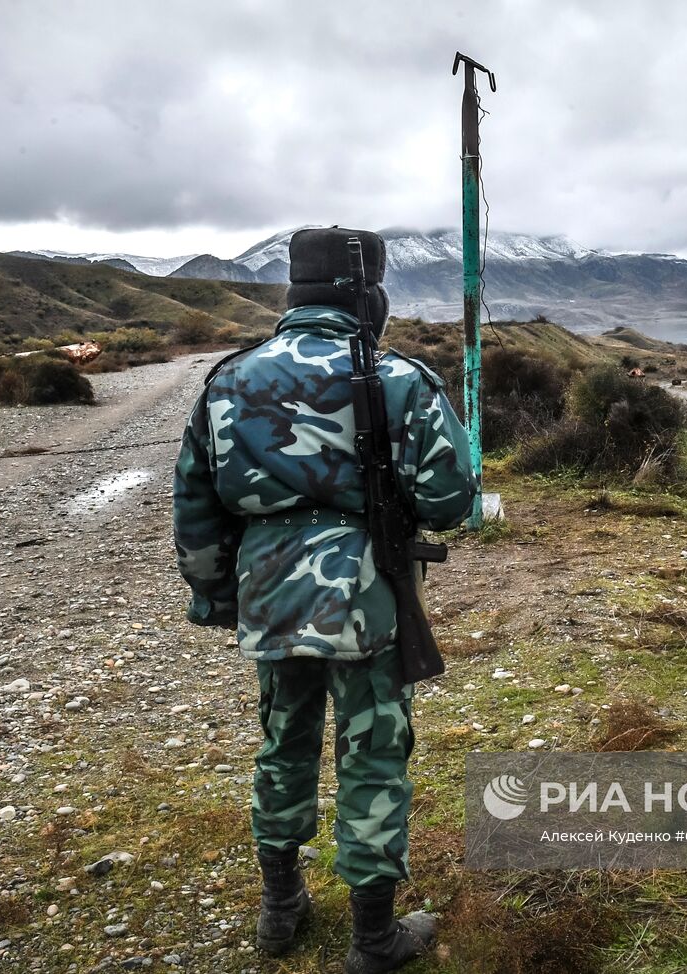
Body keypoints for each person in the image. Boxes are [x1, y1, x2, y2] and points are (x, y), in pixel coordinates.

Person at [172, 227, 478, 972]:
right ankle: (373, 940)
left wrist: (217, 597)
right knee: (373, 754)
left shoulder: (229, 380)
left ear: (295, 295)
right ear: (368, 295)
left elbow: (196, 505)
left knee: (284, 742)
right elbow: (450, 498)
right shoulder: (399, 377)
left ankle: (281, 909)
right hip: (368, 599)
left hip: (269, 597)